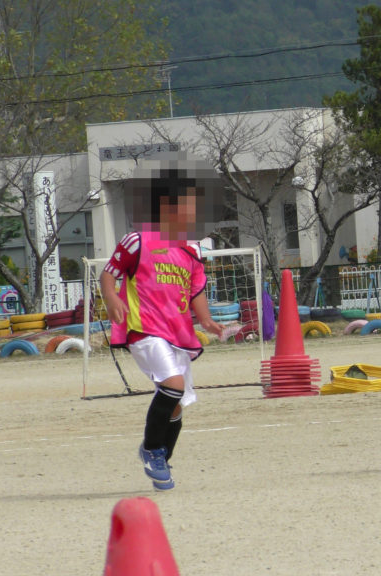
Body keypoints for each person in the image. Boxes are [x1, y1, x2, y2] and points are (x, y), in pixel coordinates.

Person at [100, 156, 225, 490]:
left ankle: (161, 458)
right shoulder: (137, 240)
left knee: (177, 405)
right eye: (189, 205)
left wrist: (206, 319)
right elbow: (108, 274)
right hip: (144, 329)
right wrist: (111, 297)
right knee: (173, 385)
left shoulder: (192, 250)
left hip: (177, 334)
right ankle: (153, 450)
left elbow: (195, 288)